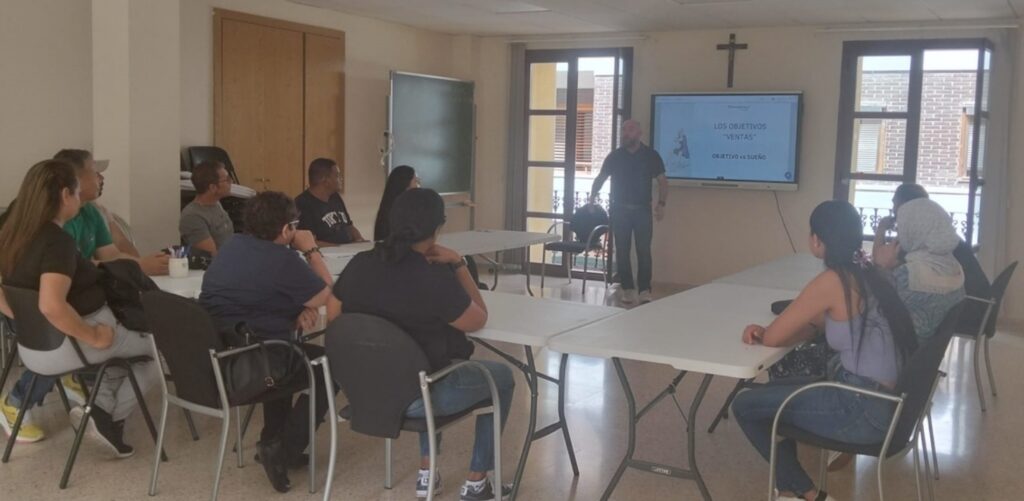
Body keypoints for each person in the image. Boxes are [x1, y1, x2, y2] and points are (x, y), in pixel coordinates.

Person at [327, 188, 515, 501]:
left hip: (362, 391)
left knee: (420, 370)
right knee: (501, 377)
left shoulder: (361, 263)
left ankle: (428, 474)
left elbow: (335, 319)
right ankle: (477, 482)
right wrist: (458, 263)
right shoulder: (432, 276)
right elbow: (477, 318)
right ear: (438, 227)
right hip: (417, 397)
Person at [731, 200, 918, 501]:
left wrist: (766, 332)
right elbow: (820, 325)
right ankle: (788, 488)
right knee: (776, 389)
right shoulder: (871, 272)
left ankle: (807, 493)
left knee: (744, 405)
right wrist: (800, 329)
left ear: (817, 240)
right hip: (886, 403)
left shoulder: (833, 281)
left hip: (861, 408)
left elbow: (774, 337)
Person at [1, 148, 169, 443]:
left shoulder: (16, 233)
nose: (81, 198)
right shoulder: (57, 242)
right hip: (70, 342)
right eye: (77, 192)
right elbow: (51, 305)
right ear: (66, 194)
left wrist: (29, 321)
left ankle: (96, 407)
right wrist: (93, 336)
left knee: (125, 346)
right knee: (158, 351)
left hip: (37, 343)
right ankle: (105, 418)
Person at [199, 191, 335, 493]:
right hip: (253, 361)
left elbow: (255, 296)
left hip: (221, 357)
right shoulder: (282, 259)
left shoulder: (233, 245)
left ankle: (273, 440)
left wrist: (297, 309)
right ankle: (283, 450)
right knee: (329, 366)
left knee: (286, 347)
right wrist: (311, 249)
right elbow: (327, 294)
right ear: (287, 229)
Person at [874, 183, 990, 330]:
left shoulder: (918, 263)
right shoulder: (944, 242)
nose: (893, 210)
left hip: (969, 313)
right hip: (961, 314)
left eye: (894, 204)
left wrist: (881, 229)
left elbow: (879, 264)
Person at [589, 119, 669, 304]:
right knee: (622, 250)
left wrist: (662, 204)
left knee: (644, 251)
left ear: (639, 133)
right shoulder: (615, 156)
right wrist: (592, 197)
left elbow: (663, 181)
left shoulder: (651, 155)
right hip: (620, 210)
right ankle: (627, 289)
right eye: (624, 129)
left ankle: (644, 290)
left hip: (642, 210)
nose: (626, 133)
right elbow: (601, 177)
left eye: (630, 129)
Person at [874, 196, 965, 340]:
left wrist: (882, 267)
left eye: (901, 227)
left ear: (914, 229)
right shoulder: (953, 264)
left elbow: (874, 308)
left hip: (900, 346)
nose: (899, 234)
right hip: (928, 348)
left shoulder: (909, 275)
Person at [295, 158, 365, 247]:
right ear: (325, 180)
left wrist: (360, 241)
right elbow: (309, 243)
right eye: (337, 176)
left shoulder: (335, 197)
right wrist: (340, 248)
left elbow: (349, 226)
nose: (341, 179)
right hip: (326, 254)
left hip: (347, 250)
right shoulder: (302, 204)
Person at [179, 160, 235, 256]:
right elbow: (212, 256)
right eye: (227, 180)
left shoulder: (216, 203)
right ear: (212, 187)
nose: (231, 182)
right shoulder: (192, 217)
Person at [373, 165, 420, 242]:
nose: (418, 186)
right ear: (405, 184)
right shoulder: (399, 213)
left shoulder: (388, 208)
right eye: (415, 181)